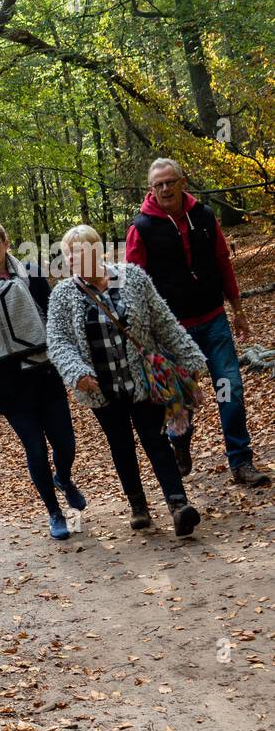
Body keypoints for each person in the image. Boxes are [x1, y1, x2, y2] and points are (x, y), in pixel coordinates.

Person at [47, 225, 208, 536]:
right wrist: (76, 372)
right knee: (120, 444)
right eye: (68, 254)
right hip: (101, 388)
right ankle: (138, 505)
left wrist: (191, 361)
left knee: (156, 440)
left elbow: (163, 321)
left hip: (141, 380)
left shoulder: (131, 277)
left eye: (80, 251)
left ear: (97, 251)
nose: (73, 259)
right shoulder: (63, 295)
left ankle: (178, 504)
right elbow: (58, 341)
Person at [125, 158, 269, 487]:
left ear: (182, 182)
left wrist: (238, 308)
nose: (165, 188)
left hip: (213, 320)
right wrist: (143, 334)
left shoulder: (203, 216)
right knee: (181, 400)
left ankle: (240, 460)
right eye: (158, 184)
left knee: (227, 388)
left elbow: (222, 261)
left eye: (170, 181)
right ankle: (180, 442)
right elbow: (134, 284)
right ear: (151, 189)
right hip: (173, 330)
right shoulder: (142, 228)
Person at [0, 222, 84, 540]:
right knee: (35, 449)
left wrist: (72, 362)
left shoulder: (32, 274)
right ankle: (54, 513)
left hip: (45, 373)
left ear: (6, 243)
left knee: (64, 443)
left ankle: (65, 478)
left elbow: (54, 318)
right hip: (9, 383)